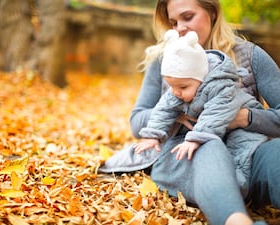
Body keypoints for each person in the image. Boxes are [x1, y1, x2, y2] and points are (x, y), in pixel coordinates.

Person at [99, 0, 280, 225]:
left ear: (212, 13)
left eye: (187, 17)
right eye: (173, 22)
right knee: (207, 145)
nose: (179, 28)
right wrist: (177, 111)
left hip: (248, 151)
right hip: (186, 155)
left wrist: (246, 118)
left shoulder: (251, 56)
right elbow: (137, 120)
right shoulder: (164, 60)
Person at [133, 29, 268, 199]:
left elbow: (214, 115)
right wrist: (153, 135)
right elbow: (163, 109)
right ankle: (220, 187)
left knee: (241, 150)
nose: (175, 92)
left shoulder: (221, 87)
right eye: (171, 86)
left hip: (245, 128)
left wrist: (195, 138)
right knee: (216, 154)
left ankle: (239, 186)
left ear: (201, 78)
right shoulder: (181, 86)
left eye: (182, 87)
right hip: (219, 129)